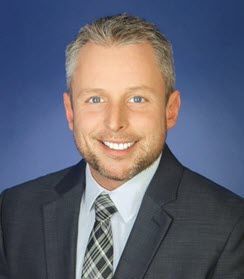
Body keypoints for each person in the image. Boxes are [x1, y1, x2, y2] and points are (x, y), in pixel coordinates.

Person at [0, 14, 243, 279]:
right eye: (95, 99)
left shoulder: (230, 226)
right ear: (70, 112)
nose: (115, 122)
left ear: (170, 110)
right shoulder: (13, 211)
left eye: (137, 98)